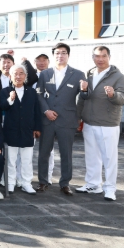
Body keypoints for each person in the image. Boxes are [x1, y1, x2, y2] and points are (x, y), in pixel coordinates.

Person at [76, 46, 124, 201]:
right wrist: (78, 116)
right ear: (93, 57)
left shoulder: (119, 77)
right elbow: (83, 98)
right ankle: (93, 184)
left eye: (103, 56)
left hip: (108, 124)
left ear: (109, 57)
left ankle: (110, 188)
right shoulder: (89, 75)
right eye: (97, 56)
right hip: (89, 122)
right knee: (92, 156)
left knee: (109, 158)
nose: (100, 59)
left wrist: (113, 95)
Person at [35, 42, 86, 196]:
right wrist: (46, 111)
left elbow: (84, 97)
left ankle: (65, 184)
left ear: (68, 55)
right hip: (47, 119)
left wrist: (85, 90)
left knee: (66, 153)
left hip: (67, 119)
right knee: (44, 152)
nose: (60, 55)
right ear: (53, 55)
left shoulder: (78, 74)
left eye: (63, 52)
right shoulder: (45, 74)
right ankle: (43, 181)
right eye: (57, 53)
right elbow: (39, 94)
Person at [0, 65, 42, 194]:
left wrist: (37, 127)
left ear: (25, 76)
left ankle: (26, 183)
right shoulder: (5, 91)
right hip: (11, 130)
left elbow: (37, 110)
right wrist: (10, 99)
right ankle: (10, 182)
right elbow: (2, 106)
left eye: (21, 73)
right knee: (10, 160)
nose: (18, 76)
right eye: (15, 74)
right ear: (10, 76)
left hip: (28, 130)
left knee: (26, 160)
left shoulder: (31, 92)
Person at [33, 53, 55, 183]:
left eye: (44, 60)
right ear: (34, 62)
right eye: (38, 60)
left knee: (48, 150)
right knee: (27, 149)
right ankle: (24, 177)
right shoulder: (30, 77)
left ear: (48, 62)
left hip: (48, 116)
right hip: (33, 116)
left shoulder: (54, 75)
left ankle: (48, 177)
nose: (41, 63)